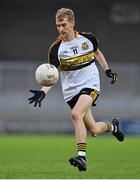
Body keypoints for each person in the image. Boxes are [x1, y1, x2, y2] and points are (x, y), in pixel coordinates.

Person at [28, 8, 124, 171]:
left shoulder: (88, 38)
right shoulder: (56, 49)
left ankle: (81, 157)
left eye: (63, 24)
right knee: (93, 129)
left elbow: (97, 53)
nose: (60, 29)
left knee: (75, 114)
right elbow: (53, 74)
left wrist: (107, 70)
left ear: (72, 23)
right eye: (57, 26)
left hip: (90, 85)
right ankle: (113, 127)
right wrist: (43, 91)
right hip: (71, 93)